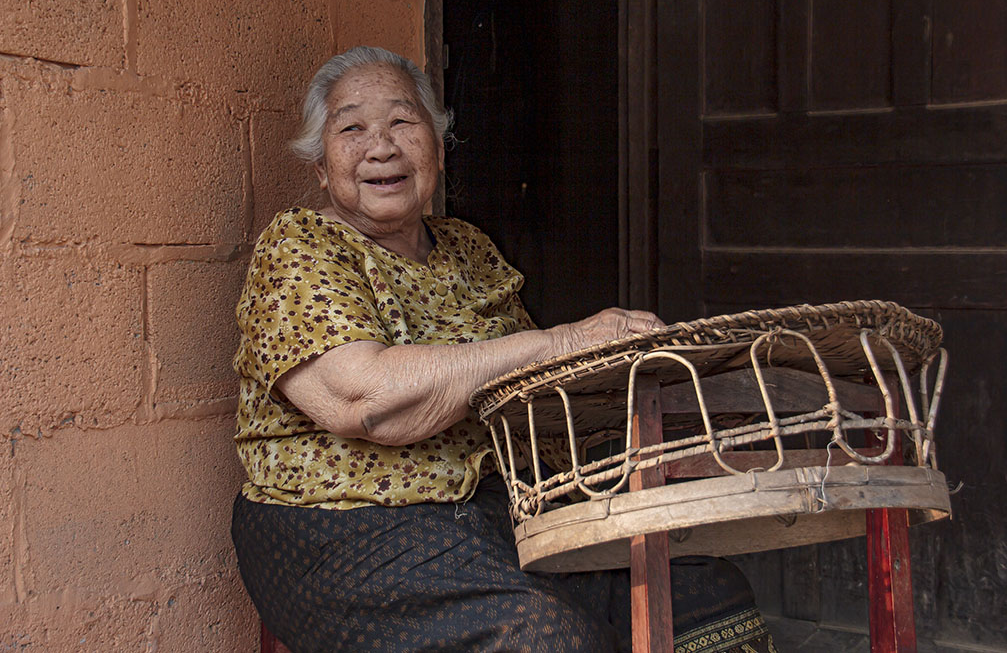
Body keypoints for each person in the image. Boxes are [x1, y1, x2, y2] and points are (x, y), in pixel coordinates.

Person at [231, 45, 776, 652]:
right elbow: (366, 397)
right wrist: (565, 340)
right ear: (320, 166)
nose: (381, 147)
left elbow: (530, 396)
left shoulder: (467, 247)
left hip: (495, 509)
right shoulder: (299, 247)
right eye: (352, 128)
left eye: (404, 122)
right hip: (341, 524)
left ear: (437, 145)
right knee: (542, 637)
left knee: (704, 590)